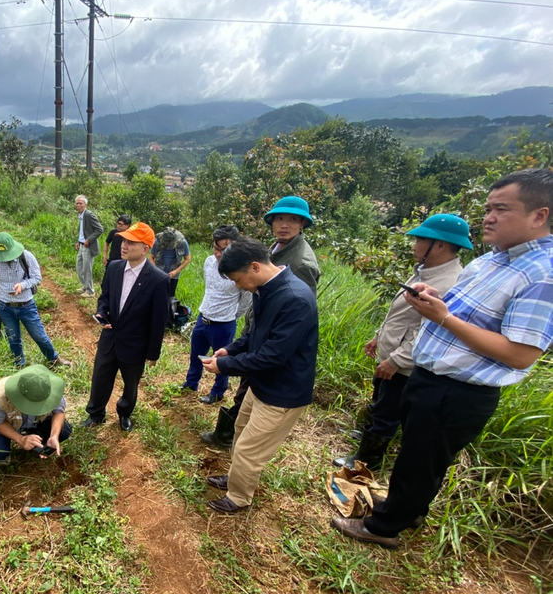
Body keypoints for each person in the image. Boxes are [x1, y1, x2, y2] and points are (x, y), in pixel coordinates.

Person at [332, 168, 553, 549]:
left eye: (501, 208)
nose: (489, 217)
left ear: (540, 215)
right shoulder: (494, 261)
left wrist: (443, 316)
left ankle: (383, 528)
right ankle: (407, 507)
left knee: (423, 458)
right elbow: (465, 315)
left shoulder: (541, 276)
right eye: (488, 207)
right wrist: (435, 301)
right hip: (431, 377)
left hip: (460, 389)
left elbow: (521, 354)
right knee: (417, 453)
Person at [334, 213, 471, 470]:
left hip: (404, 361)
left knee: (388, 408)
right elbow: (402, 314)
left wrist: (397, 360)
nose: (414, 245)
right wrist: (378, 336)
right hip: (391, 349)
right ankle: (369, 438)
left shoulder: (448, 282)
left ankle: (367, 460)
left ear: (439, 245)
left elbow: (428, 331)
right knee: (381, 397)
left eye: (420, 240)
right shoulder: (427, 271)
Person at [200, 237, 318, 513]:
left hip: (282, 392)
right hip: (261, 384)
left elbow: (274, 355)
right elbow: (255, 336)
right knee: (240, 432)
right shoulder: (267, 289)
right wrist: (229, 350)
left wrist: (226, 367)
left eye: (238, 280)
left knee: (250, 450)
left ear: (254, 267)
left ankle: (239, 497)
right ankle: (236, 478)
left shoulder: (295, 298)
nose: (238, 286)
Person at [201, 195, 320, 446]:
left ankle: (233, 444)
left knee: (249, 399)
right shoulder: (273, 250)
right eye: (279, 219)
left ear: (302, 225)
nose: (284, 225)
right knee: (245, 397)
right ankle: (231, 441)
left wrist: (229, 362)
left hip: (274, 351)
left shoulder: (301, 263)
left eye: (292, 220)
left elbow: (293, 321)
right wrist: (236, 348)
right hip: (258, 332)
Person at [82, 222, 170, 432]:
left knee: (130, 385)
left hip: (135, 343)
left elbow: (159, 320)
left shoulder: (158, 280)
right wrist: (102, 311)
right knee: (100, 377)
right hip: (110, 337)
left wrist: (152, 353)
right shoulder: (114, 268)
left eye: (131, 242)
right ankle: (95, 414)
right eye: (124, 240)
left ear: (145, 248)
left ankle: (124, 413)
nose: (124, 245)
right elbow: (105, 296)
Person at [179, 225, 252, 404]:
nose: (219, 254)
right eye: (216, 248)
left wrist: (231, 316)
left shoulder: (242, 270)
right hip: (203, 317)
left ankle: (218, 392)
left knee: (221, 362)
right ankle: (191, 383)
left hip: (224, 324)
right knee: (196, 354)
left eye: (224, 249)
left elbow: (246, 300)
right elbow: (210, 289)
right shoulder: (209, 262)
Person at [0, 232, 71, 368]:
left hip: (26, 306)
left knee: (39, 336)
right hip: (4, 307)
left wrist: (22, 285)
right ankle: (19, 366)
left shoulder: (26, 256)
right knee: (14, 340)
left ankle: (54, 360)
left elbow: (37, 277)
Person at [0, 364, 72, 464]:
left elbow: (59, 412)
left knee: (64, 430)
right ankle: (17, 442)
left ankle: (39, 442)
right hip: (8, 422)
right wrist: (21, 439)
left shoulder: (47, 387)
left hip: (37, 421)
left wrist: (54, 436)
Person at [75, 195, 104, 298]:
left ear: (85, 204)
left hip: (88, 246)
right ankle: (85, 286)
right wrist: (78, 241)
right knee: (79, 267)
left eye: (80, 203)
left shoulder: (89, 215)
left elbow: (100, 229)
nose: (78, 205)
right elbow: (82, 230)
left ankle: (90, 291)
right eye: (77, 203)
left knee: (87, 269)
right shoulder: (81, 215)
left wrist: (89, 240)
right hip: (81, 245)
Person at [150, 226, 192, 296]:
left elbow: (187, 259)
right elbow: (151, 258)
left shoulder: (182, 242)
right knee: (157, 295)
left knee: (170, 296)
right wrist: (156, 271)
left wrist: (176, 271)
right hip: (159, 273)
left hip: (173, 274)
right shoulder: (158, 241)